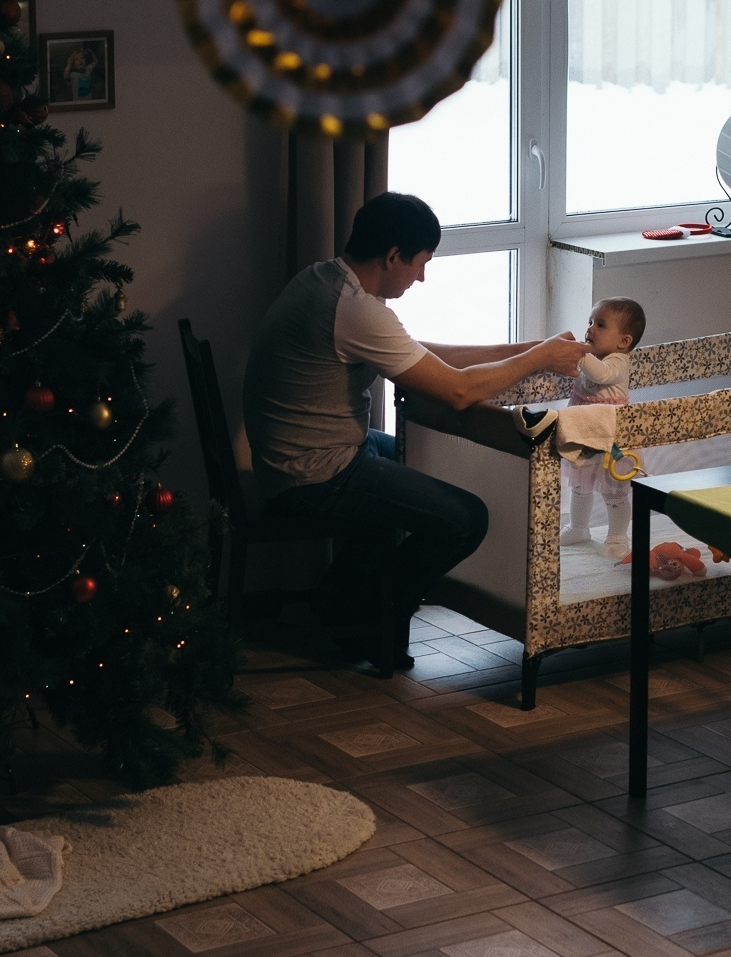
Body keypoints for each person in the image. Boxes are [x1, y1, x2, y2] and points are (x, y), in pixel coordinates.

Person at [243, 192, 587, 670]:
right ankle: (368, 618)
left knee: (421, 468)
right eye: (421, 264)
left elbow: (425, 355)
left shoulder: (325, 279)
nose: (421, 277)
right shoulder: (356, 309)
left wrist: (531, 346)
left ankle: (343, 602)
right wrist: (540, 358)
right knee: (466, 518)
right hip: (314, 473)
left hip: (306, 456)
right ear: (392, 257)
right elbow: (460, 391)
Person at [557, 298, 646, 557]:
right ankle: (578, 527)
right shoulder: (593, 357)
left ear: (623, 341)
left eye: (601, 324)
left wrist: (579, 354)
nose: (591, 329)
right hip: (584, 434)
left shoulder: (618, 361)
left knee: (615, 490)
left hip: (612, 441)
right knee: (580, 485)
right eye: (590, 322)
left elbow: (602, 375)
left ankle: (617, 536)